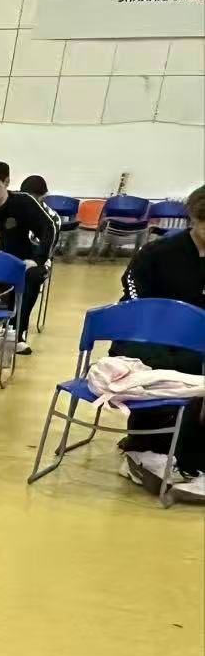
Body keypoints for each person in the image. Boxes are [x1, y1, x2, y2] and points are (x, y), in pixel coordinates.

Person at [115, 184, 205, 488]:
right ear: (194, 218)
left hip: (197, 342)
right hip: (148, 336)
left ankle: (189, 451)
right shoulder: (157, 253)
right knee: (173, 366)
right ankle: (145, 446)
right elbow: (134, 298)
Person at [0, 160, 56, 354]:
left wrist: (38, 259)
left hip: (22, 264)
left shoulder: (24, 203)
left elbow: (49, 229)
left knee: (33, 275)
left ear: (7, 182)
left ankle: (16, 332)